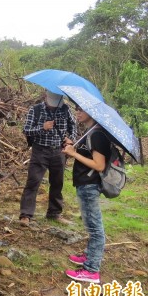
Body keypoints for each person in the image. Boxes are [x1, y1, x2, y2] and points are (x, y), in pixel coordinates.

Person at [62, 105, 109, 284]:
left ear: (92, 112)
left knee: (95, 228)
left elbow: (99, 165)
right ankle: (89, 255)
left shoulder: (97, 135)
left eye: (81, 109)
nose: (78, 112)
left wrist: (73, 154)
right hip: (85, 184)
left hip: (90, 185)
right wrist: (72, 146)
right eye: (77, 109)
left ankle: (91, 270)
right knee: (90, 224)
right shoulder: (91, 132)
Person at [19, 90, 77, 226]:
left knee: (57, 183)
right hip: (40, 150)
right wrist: (42, 127)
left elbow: (73, 125)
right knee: (33, 182)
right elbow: (26, 130)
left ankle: (54, 213)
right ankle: (25, 215)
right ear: (46, 98)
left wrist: (71, 139)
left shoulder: (65, 109)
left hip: (58, 151)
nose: (54, 106)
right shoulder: (36, 110)